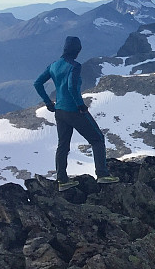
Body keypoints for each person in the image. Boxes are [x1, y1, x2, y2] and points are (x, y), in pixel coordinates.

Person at [34, 36, 119, 190]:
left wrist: (48, 102)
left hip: (59, 111)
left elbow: (37, 83)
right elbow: (72, 87)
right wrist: (81, 105)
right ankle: (102, 174)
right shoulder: (74, 66)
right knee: (97, 139)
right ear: (77, 50)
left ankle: (62, 180)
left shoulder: (53, 65)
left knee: (63, 145)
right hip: (73, 110)